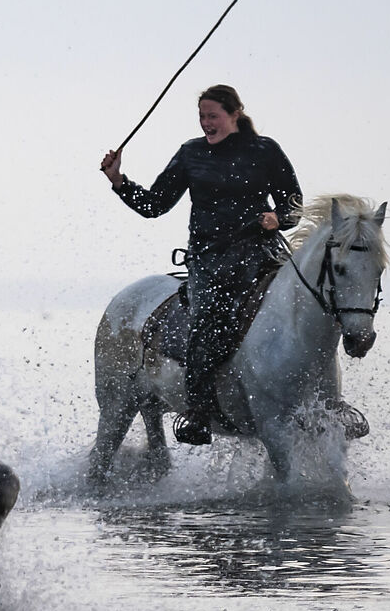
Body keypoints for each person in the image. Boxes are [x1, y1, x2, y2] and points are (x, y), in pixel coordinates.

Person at [99, 85, 300, 444]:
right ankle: (199, 411)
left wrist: (277, 218)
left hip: (262, 255)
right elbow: (154, 204)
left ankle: (330, 403)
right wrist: (118, 181)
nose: (207, 123)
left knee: (305, 305)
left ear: (235, 113)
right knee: (208, 320)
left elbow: (293, 204)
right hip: (210, 261)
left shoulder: (265, 150)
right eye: (202, 117)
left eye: (213, 116)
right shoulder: (191, 154)